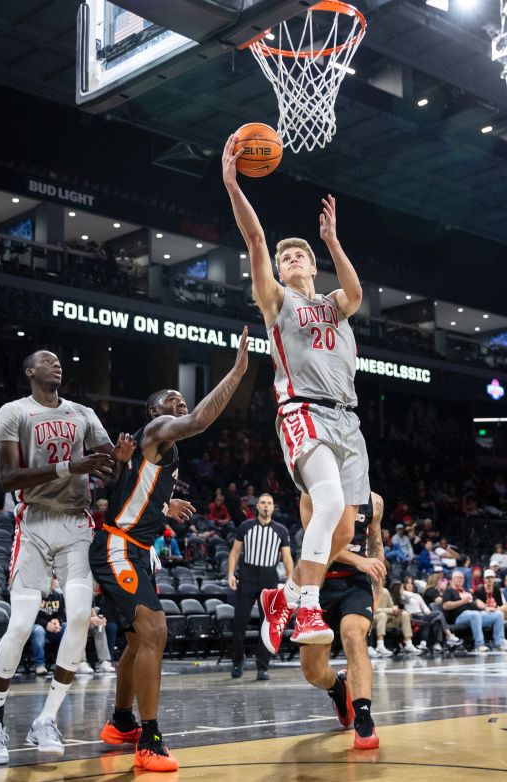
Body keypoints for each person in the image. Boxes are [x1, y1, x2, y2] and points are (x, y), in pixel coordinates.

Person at [224, 135, 367, 653]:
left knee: (343, 533)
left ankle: (282, 596)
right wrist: (233, 185)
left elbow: (355, 295)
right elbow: (257, 242)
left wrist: (330, 240)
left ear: (311, 264)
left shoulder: (333, 302)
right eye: (285, 257)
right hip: (302, 410)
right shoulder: (277, 301)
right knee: (326, 502)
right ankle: (306, 607)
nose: (288, 259)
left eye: (297, 254)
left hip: (348, 421)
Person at [91, 330, 248, 773]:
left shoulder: (164, 454)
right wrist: (236, 372)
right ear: (155, 410)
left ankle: (121, 722)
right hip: (118, 547)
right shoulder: (158, 429)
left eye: (182, 399)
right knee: (155, 631)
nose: (181, 403)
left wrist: (163, 503)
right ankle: (149, 739)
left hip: (135, 548)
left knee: (139, 640)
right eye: (173, 398)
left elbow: (131, 489)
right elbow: (199, 419)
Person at [0, 349, 125, 764]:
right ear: (29, 371)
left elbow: (110, 463)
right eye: (46, 360)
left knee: (80, 616)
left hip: (77, 524)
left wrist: (121, 461)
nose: (56, 363)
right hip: (34, 523)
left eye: (59, 360)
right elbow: (7, 478)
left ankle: (46, 718)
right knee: (22, 623)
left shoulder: (83, 413)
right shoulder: (14, 411)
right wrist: (71, 466)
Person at [298, 491, 385, 749]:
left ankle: (364, 718)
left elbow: (375, 548)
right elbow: (316, 544)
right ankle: (338, 687)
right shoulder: (312, 490)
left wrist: (377, 591)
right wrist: (360, 560)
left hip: (355, 583)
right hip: (318, 581)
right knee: (312, 672)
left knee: (353, 634)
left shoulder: (374, 501)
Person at [228, 493, 293, 680]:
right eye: (263, 503)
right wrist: (231, 574)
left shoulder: (281, 530)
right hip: (247, 575)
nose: (266, 506)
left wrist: (291, 579)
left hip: (269, 578)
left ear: (273, 507)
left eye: (269, 503)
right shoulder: (245, 526)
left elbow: (287, 557)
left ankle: (262, 666)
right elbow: (235, 552)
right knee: (239, 621)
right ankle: (238, 661)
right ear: (257, 506)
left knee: (268, 624)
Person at [442, 570, 507, 653]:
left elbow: (477, 601)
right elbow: (445, 606)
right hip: (459, 617)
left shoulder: (467, 591)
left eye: (461, 578)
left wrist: (486, 608)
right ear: (452, 580)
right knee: (475, 614)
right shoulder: (449, 591)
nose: (460, 580)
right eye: (457, 578)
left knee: (498, 614)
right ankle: (479, 644)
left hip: (475, 615)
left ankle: (499, 643)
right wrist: (462, 601)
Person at [473, 569, 507, 650]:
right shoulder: (479, 590)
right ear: (484, 579)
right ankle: (501, 640)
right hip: (484, 613)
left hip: (495, 611)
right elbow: (479, 607)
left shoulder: (496, 589)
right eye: (487, 578)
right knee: (499, 614)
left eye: (491, 577)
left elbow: (500, 604)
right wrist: (498, 609)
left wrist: (504, 607)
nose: (489, 580)